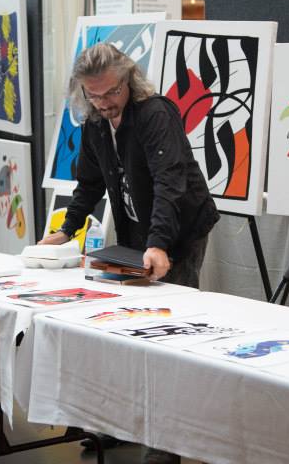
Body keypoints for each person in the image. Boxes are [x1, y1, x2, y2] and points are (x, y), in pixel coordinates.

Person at [39, 42, 220, 464]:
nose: (103, 103)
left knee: (166, 338)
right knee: (125, 330)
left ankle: (166, 445)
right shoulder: (95, 124)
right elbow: (89, 182)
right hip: (138, 232)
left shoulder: (156, 113)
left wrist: (158, 243)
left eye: (111, 93)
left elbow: (169, 181)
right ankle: (123, 424)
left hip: (178, 231)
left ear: (129, 81)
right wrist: (67, 230)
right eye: (94, 95)